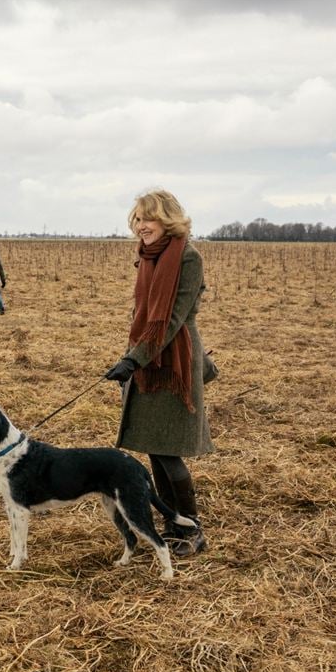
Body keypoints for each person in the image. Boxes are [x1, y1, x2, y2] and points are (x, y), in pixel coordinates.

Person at [104, 190, 212, 556]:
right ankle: (173, 524)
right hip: (151, 359)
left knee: (169, 450)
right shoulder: (149, 257)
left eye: (146, 219)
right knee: (155, 448)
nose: (139, 227)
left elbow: (170, 321)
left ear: (166, 219)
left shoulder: (188, 257)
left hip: (173, 362)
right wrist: (132, 356)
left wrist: (135, 360)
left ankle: (193, 530)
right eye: (136, 220)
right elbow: (144, 316)